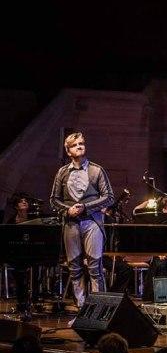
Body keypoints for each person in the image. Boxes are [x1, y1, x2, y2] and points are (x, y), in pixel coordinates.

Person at [50, 132, 115, 309]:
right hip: (71, 224)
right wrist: (67, 210)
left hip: (92, 222)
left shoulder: (96, 170)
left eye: (81, 143)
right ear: (68, 151)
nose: (79, 146)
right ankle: (81, 308)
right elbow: (54, 199)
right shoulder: (62, 172)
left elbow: (109, 197)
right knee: (75, 267)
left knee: (95, 267)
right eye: (75, 145)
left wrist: (86, 207)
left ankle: (98, 310)